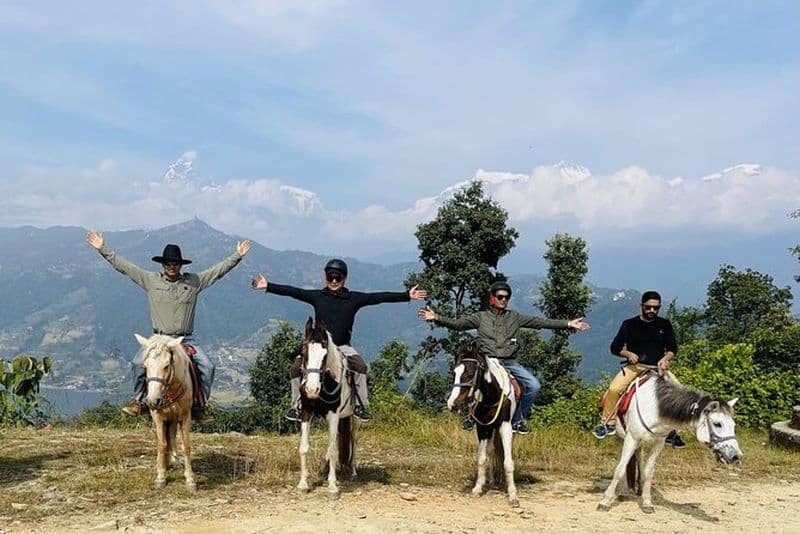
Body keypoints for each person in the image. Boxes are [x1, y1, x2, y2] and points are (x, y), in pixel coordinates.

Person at [86, 231, 251, 423]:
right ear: (162, 265)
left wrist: (237, 256)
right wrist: (103, 249)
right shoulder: (150, 280)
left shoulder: (194, 281)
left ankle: (199, 406)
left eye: (175, 264)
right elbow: (125, 267)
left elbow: (218, 271)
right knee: (137, 363)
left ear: (181, 265)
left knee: (208, 366)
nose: (171, 267)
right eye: (168, 264)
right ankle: (139, 401)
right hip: (159, 339)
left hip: (185, 339)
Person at [251, 258, 427, 422]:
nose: (334, 281)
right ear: (325, 277)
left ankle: (360, 405)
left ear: (344, 278)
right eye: (330, 277)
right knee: (296, 368)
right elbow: (294, 292)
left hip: (342, 346)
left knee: (360, 366)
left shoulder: (353, 299)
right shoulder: (317, 296)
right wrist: (268, 285)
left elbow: (378, 298)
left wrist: (406, 295)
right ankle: (297, 405)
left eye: (338, 277)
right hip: (320, 347)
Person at [419, 280, 590, 435]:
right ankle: (471, 417)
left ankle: (517, 420)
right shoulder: (480, 317)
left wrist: (568, 324)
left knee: (534, 385)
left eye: (506, 297)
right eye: (500, 297)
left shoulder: (515, 317)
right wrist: (437, 318)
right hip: (488, 360)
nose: (503, 300)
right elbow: (458, 325)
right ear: (491, 298)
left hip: (509, 362)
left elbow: (541, 322)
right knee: (476, 382)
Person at [594, 290, 686, 447]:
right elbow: (615, 348)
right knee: (615, 389)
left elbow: (672, 349)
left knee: (681, 393)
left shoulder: (664, 324)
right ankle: (607, 423)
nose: (652, 311)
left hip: (658, 368)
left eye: (655, 308)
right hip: (635, 367)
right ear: (642, 306)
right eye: (649, 307)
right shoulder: (629, 324)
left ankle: (673, 431)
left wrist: (665, 359)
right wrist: (627, 353)